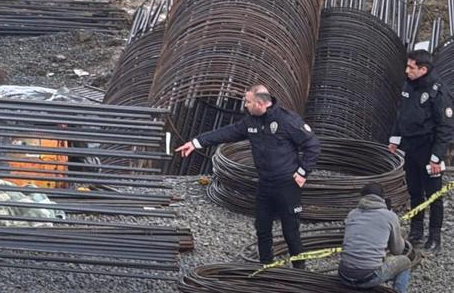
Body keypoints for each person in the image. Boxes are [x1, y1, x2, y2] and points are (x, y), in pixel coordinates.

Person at [176, 85, 320, 268]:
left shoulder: (287, 120)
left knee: (290, 231)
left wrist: (302, 172)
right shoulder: (250, 122)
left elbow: (312, 145)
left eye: (248, 102)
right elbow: (226, 132)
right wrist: (196, 143)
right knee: (262, 228)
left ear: (260, 104)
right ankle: (266, 266)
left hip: (287, 185)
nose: (245, 105)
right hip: (265, 184)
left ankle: (299, 271)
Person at [388, 50, 453, 253]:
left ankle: (434, 237)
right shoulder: (409, 85)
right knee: (415, 191)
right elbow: (402, 114)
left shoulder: (438, 91)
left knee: (433, 195)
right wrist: (395, 139)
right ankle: (416, 231)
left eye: (411, 67)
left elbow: (446, 127)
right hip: (411, 147)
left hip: (429, 149)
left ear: (423, 69)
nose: (406, 71)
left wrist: (436, 157)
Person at [339, 182, 411, 293]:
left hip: (344, 275)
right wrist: (400, 236)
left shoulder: (352, 214)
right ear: (382, 198)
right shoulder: (389, 216)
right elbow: (397, 250)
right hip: (368, 277)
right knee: (405, 262)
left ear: (362, 197)